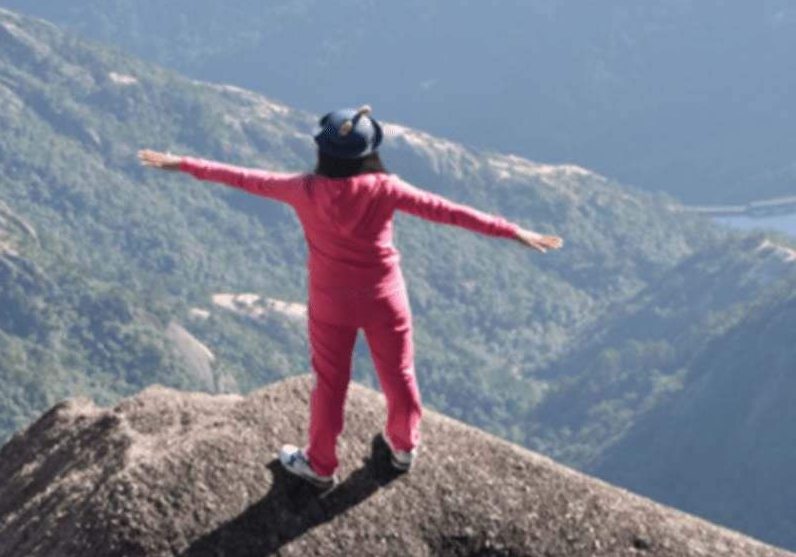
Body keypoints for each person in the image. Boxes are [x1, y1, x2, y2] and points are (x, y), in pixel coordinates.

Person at [138, 106, 562, 490]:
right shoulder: (385, 188)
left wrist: (183, 164)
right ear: (367, 152)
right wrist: (512, 232)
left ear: (324, 151)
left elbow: (240, 176)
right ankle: (403, 447)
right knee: (398, 372)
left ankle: (320, 465)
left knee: (330, 383)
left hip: (331, 303)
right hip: (384, 299)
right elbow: (448, 210)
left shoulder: (301, 189)